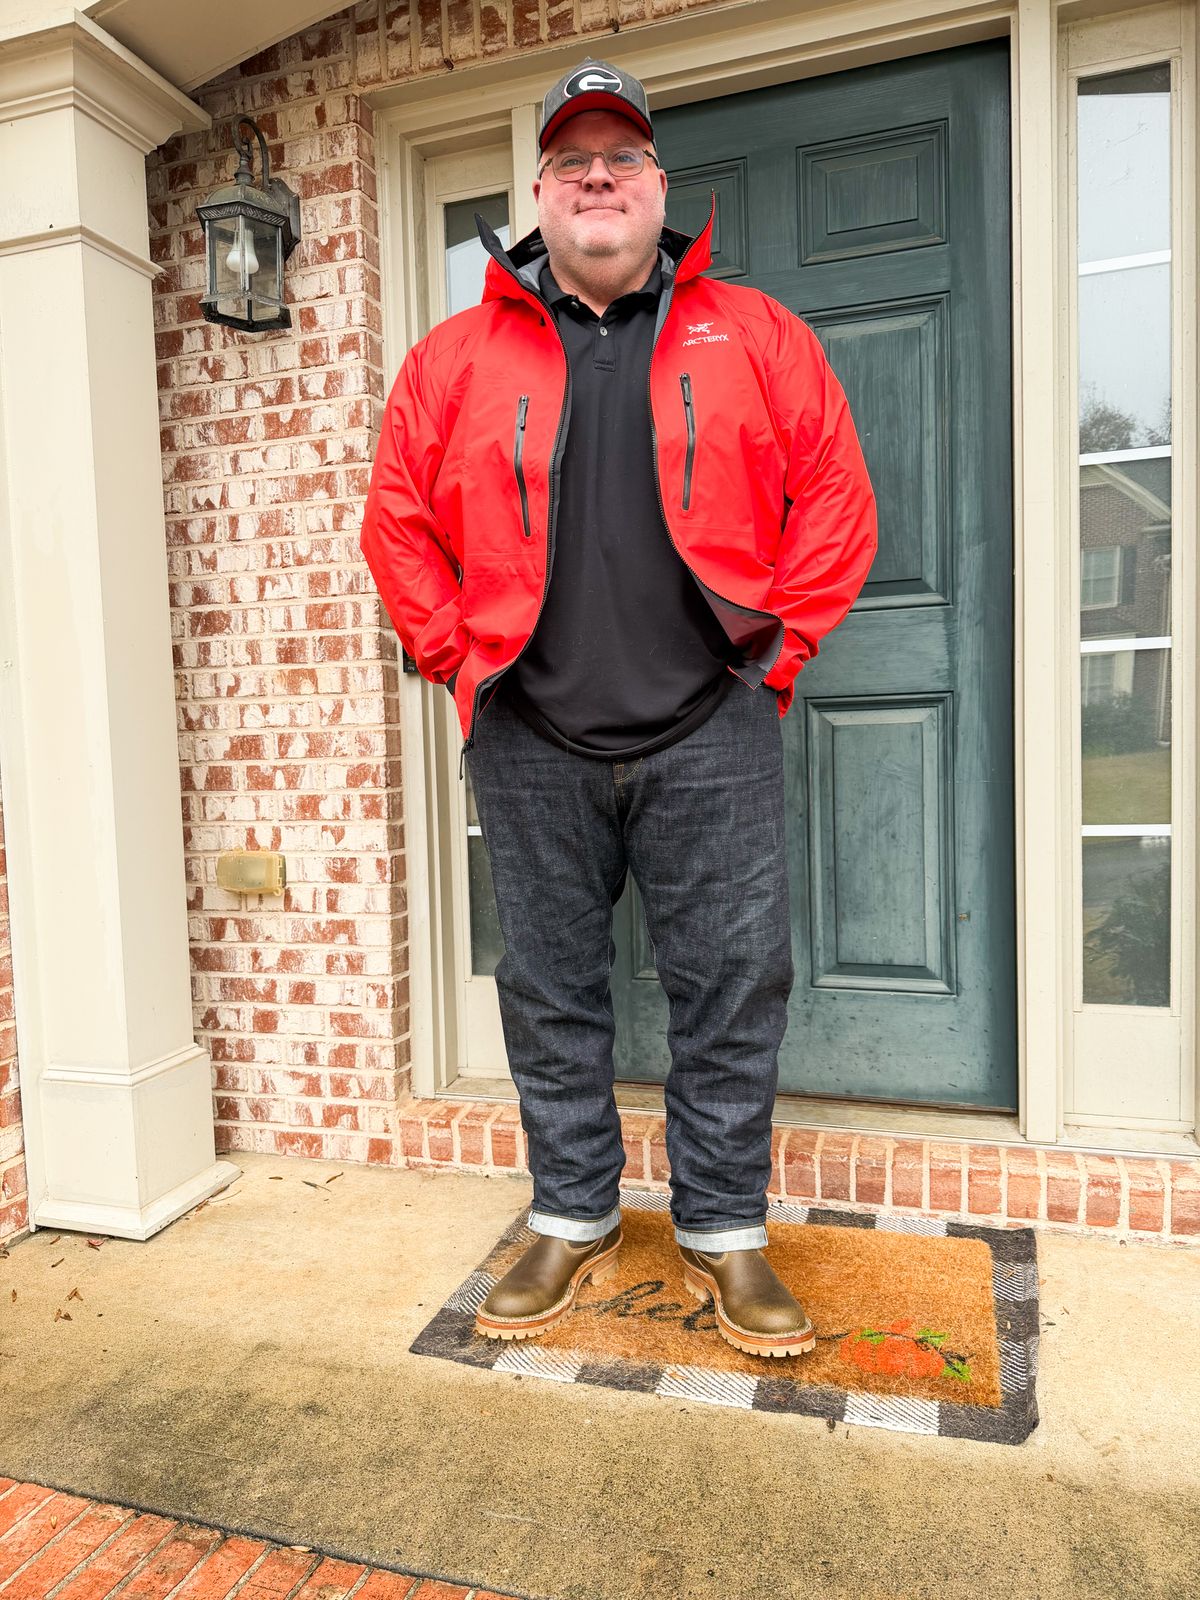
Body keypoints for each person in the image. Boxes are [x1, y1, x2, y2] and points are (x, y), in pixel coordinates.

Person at [359, 57, 878, 1359]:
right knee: (548, 988)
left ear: (659, 191)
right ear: (539, 191)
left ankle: (722, 1235)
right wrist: (452, 658)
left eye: (624, 160)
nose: (600, 178)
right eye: (575, 161)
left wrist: (776, 656)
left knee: (732, 987)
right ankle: (573, 1207)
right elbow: (398, 524)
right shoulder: (452, 360)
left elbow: (835, 497)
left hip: (712, 726)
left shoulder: (755, 335)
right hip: (529, 733)